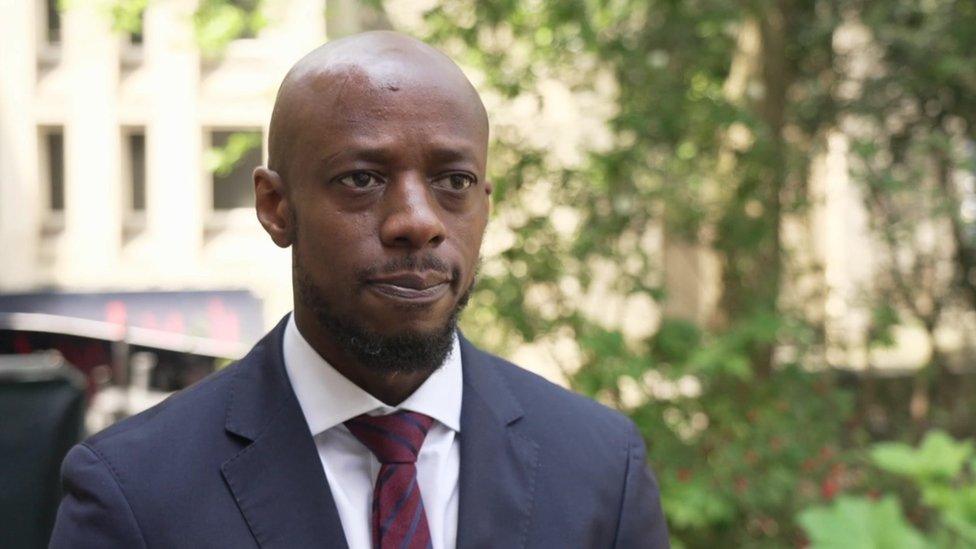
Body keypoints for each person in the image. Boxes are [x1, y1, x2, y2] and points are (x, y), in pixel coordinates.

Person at [49, 31, 669, 548]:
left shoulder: (599, 470)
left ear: (485, 205)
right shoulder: (134, 490)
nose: (418, 222)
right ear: (275, 206)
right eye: (362, 179)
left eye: (453, 181)